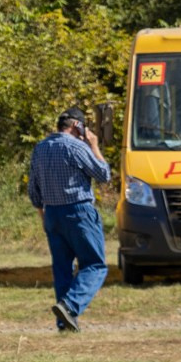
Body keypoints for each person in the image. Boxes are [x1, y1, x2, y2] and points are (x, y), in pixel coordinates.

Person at [27, 107, 113, 333]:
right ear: (77, 126)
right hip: (79, 212)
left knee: (62, 268)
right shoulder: (77, 146)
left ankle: (64, 323)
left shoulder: (40, 148)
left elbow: (33, 190)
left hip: (52, 214)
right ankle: (70, 305)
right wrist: (93, 145)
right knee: (95, 265)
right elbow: (104, 175)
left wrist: (43, 217)